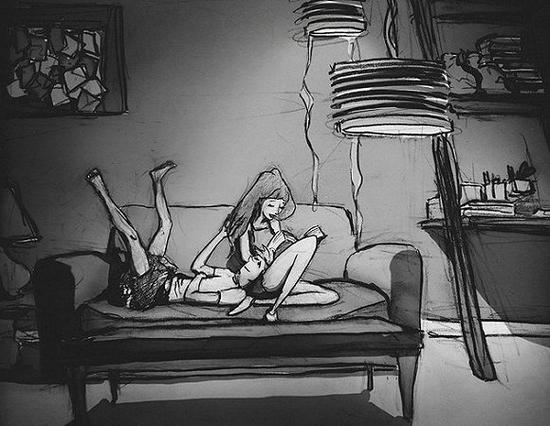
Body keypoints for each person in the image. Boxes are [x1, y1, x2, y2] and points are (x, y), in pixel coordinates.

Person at [86, 162, 262, 311]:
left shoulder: (236, 292)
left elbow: (191, 296)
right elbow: (197, 266)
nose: (253, 259)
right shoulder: (228, 274)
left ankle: (100, 189)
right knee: (167, 224)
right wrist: (221, 235)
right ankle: (157, 179)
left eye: (259, 263)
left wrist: (198, 279)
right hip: (164, 275)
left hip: (153, 291)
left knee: (131, 237)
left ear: (255, 278)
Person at [210, 167, 339, 321]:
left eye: (280, 207)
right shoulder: (247, 227)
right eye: (272, 205)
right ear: (260, 201)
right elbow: (247, 260)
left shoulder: (274, 224)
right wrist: (272, 250)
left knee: (329, 295)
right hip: (258, 282)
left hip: (277, 279)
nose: (277, 211)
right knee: (309, 243)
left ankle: (265, 302)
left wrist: (281, 236)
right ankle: (272, 307)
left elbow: (285, 254)